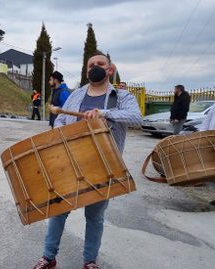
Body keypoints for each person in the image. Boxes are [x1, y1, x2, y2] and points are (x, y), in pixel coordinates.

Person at [32, 52, 142, 269]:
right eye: (91, 64)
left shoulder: (121, 97)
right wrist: (61, 129)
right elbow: (61, 118)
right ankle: (48, 257)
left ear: (110, 69)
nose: (95, 67)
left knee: (94, 217)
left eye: (100, 64)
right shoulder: (76, 94)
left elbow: (136, 118)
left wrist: (104, 113)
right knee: (58, 211)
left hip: (104, 166)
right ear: (86, 70)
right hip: (70, 161)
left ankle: (89, 261)